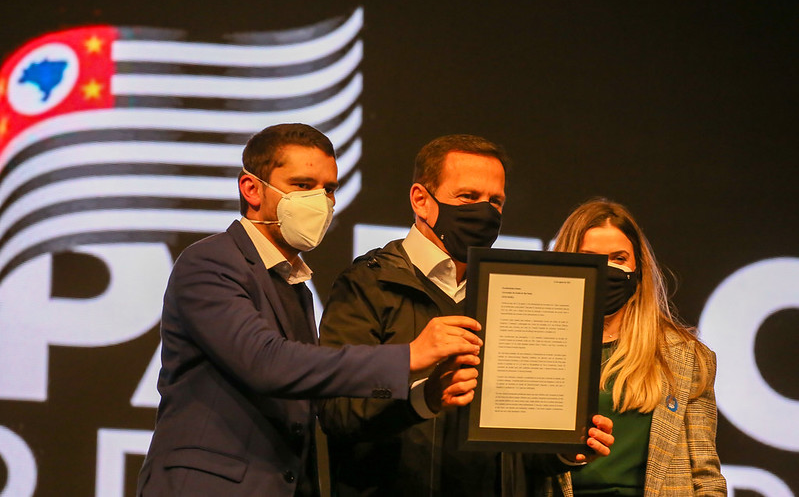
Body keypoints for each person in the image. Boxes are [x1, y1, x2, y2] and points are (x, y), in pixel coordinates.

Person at [136, 124, 484, 497]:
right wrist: (409, 357)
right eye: (303, 185)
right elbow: (265, 363)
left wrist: (422, 398)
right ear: (251, 189)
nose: (320, 200)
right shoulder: (211, 261)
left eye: (329, 189)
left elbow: (317, 396)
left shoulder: (292, 285)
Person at [318, 135, 614, 497]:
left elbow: (517, 445)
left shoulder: (514, 293)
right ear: (421, 200)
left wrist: (565, 449)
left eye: (495, 201)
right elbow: (336, 411)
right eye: (468, 197)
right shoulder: (368, 284)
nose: (485, 212)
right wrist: (421, 396)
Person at [537, 198, 726, 496]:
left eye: (619, 258)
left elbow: (705, 474)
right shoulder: (534, 347)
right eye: (590, 258)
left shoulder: (685, 356)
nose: (607, 269)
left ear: (638, 268)